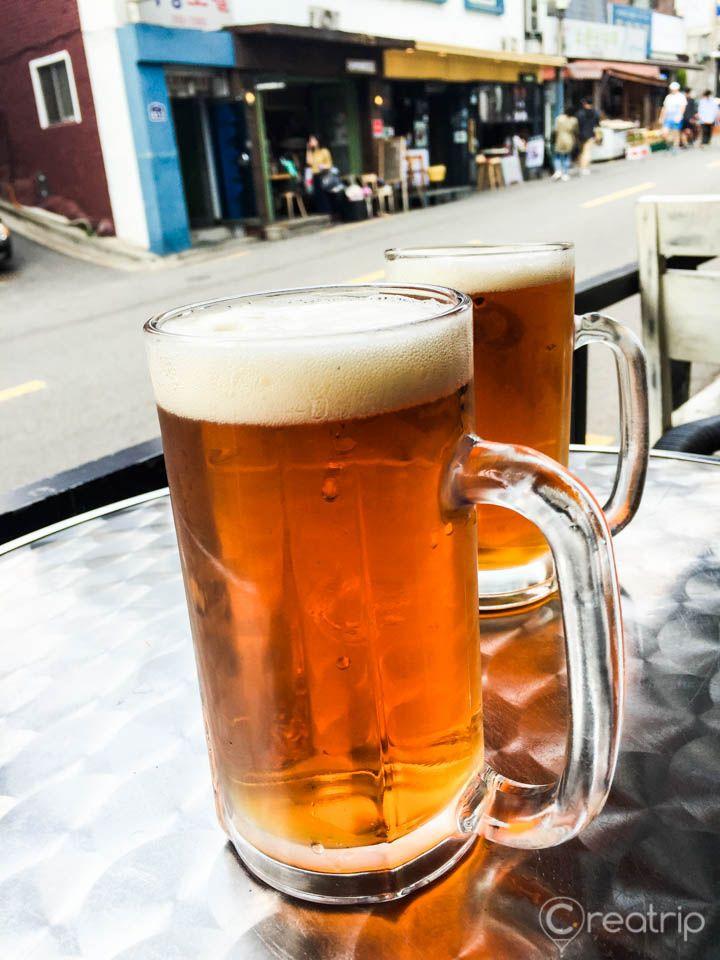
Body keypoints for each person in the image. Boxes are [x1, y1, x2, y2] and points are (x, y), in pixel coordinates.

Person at [305, 134, 334, 213]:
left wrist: (323, 166)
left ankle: (328, 211)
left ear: (317, 141)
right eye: (310, 141)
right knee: (318, 195)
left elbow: (330, 164)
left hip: (323, 174)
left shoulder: (324, 151)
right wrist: (308, 149)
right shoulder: (312, 152)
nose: (311, 142)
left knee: (325, 194)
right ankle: (322, 211)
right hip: (315, 175)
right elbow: (309, 162)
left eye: (312, 140)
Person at [551, 109, 579, 181]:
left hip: (559, 138)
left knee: (557, 156)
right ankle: (565, 173)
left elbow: (555, 129)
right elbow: (576, 130)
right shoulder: (574, 120)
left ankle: (558, 171)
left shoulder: (559, 118)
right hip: (569, 139)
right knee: (567, 156)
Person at [576, 97, 600, 176]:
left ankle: (581, 167)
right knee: (587, 152)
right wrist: (597, 135)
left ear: (585, 104)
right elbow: (597, 126)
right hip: (590, 134)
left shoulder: (580, 113)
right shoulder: (595, 113)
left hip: (580, 134)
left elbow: (577, 124)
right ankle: (584, 168)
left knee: (581, 152)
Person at [660, 81, 687, 152]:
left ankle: (675, 147)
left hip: (677, 117)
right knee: (664, 132)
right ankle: (669, 145)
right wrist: (661, 117)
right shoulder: (668, 97)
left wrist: (680, 116)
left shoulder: (681, 96)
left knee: (676, 132)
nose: (673, 90)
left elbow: (683, 107)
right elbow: (664, 108)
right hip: (668, 118)